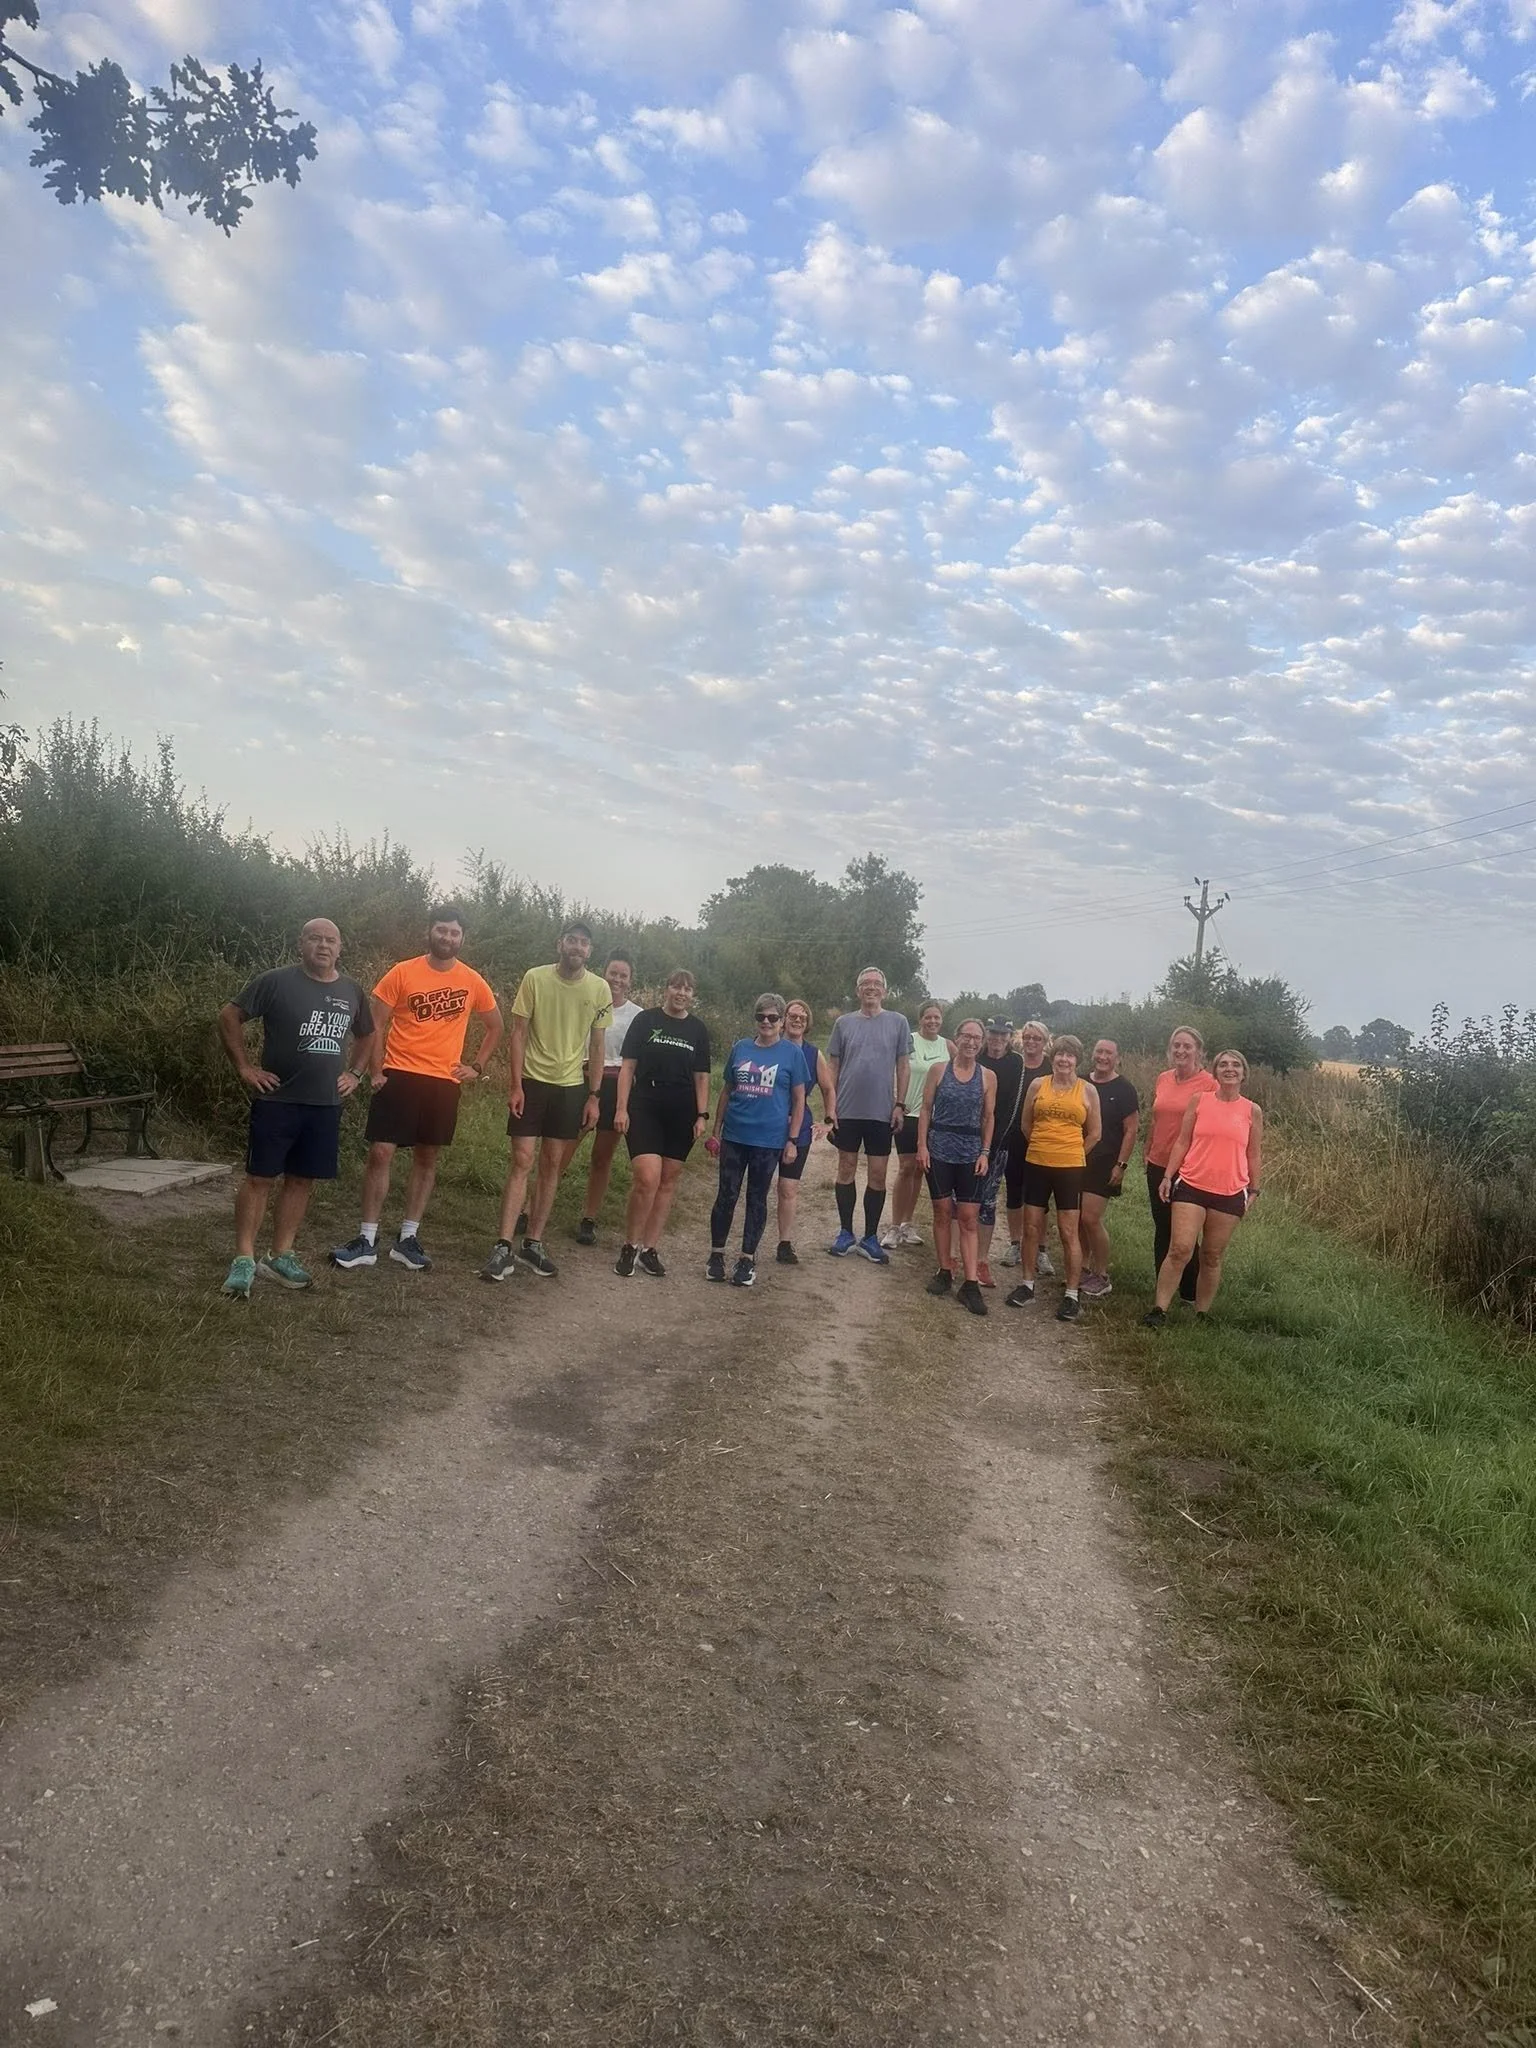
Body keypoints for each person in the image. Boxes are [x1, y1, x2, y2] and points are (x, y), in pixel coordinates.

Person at [332, 907, 502, 1273]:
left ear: (462, 938)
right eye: (442, 930)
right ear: (430, 932)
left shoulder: (472, 980)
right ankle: (367, 1238)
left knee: (427, 1158)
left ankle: (407, 1238)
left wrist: (476, 1066)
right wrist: (375, 1070)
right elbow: (374, 1024)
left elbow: (495, 1026)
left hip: (443, 1082)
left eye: (455, 933)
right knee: (380, 1153)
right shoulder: (402, 971)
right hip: (400, 1075)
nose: (448, 937)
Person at [218, 919, 374, 1297]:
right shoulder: (275, 981)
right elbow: (229, 1016)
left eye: (331, 940)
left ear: (340, 947)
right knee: (260, 1178)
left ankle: (280, 1254)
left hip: (324, 1104)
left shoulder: (351, 990)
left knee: (302, 1180)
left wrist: (355, 1072)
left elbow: (368, 1033)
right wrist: (244, 1067)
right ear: (301, 944)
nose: (323, 946)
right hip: (278, 1100)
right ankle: (243, 1259)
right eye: (315, 939)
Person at [480, 921, 613, 1283]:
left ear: (590, 951)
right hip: (533, 1084)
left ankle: (533, 1243)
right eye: (572, 940)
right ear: (560, 944)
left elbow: (598, 1046)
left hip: (571, 1088)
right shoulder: (535, 978)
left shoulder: (599, 989)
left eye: (584, 943)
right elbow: (519, 1032)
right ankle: (503, 1245)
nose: (578, 947)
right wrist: (515, 1084)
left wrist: (595, 1096)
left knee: (552, 1165)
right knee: (522, 1161)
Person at [1143, 1050, 1262, 1327]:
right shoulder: (1200, 1100)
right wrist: (1167, 1176)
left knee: (1212, 1255)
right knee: (1180, 1248)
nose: (1229, 1069)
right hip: (1192, 1185)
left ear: (1244, 1073)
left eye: (1235, 1065)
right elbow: (1183, 1142)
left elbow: (1254, 1153)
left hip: (1230, 1191)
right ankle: (1159, 1309)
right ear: (1215, 1072)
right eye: (1223, 1064)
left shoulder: (1251, 1110)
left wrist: (1254, 1190)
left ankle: (1202, 1313)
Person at [612, 970, 712, 1278]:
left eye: (687, 988)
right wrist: (621, 1109)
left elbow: (702, 1076)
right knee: (646, 1177)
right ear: (665, 989)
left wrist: (702, 1115)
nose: (681, 992)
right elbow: (628, 1067)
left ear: (692, 994)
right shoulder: (645, 1021)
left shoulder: (698, 1029)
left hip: (682, 1110)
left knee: (668, 1180)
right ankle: (630, 1245)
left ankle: (649, 1249)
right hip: (645, 1104)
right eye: (675, 986)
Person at [705, 994, 805, 1288]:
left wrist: (792, 1140)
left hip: (769, 1140)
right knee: (726, 1195)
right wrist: (716, 1130)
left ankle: (747, 1259)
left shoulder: (791, 1054)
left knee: (756, 1198)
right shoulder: (741, 1048)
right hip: (735, 1135)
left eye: (773, 1017)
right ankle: (716, 1255)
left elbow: (799, 1100)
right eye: (761, 1016)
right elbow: (727, 1090)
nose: (766, 1022)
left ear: (782, 1020)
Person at [1005, 1033, 1101, 1321]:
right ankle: (1027, 1284)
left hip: (1070, 1168)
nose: (1064, 1059)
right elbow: (1025, 1123)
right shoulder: (1038, 1084)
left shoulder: (1087, 1090)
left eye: (1070, 1055)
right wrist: (1043, 1145)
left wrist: (1073, 1153)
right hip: (1036, 1162)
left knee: (1068, 1231)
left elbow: (1095, 1133)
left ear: (1077, 1060)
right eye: (1059, 1054)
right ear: (1052, 1057)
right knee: (1031, 1227)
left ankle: (1072, 1294)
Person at [823, 967, 913, 1263]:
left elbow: (903, 1065)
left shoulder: (898, 1022)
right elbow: (832, 1067)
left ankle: (870, 1237)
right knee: (846, 1168)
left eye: (877, 983)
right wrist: (830, 1106)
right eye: (865, 984)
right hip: (847, 1109)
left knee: (877, 1174)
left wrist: (900, 1104)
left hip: (881, 1112)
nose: (871, 988)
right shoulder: (843, 1024)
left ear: (885, 991)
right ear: (857, 990)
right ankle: (846, 1233)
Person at [918, 1018, 995, 1317]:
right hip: (938, 1150)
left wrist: (985, 1152)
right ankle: (944, 1271)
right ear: (957, 1038)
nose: (971, 1042)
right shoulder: (939, 1070)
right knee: (941, 1212)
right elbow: (925, 1109)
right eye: (966, 1036)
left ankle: (971, 1283)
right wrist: (923, 1146)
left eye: (977, 1038)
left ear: (982, 1042)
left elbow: (989, 1118)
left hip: (970, 1152)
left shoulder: (987, 1076)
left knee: (968, 1218)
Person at [1144, 1026, 1219, 1303]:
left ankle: (1189, 1293)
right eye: (1176, 1045)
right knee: (1163, 1227)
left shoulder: (1210, 1084)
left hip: (1191, 1168)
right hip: (1157, 1163)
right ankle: (1162, 1290)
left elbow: (1215, 1124)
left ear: (1199, 1051)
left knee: (1185, 1235)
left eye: (1187, 1046)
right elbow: (1157, 1116)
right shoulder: (1163, 1078)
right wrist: (1148, 1146)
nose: (1181, 1051)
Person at [575, 952, 643, 1244]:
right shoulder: (587, 1000)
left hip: (616, 1086)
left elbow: (636, 1061)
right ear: (603, 973)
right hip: (582, 1079)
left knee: (601, 1158)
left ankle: (588, 1218)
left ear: (630, 981)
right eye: (613, 973)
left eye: (623, 975)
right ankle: (530, 1209)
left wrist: (624, 1104)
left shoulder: (637, 1015)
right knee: (560, 1151)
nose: (616, 979)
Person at [883, 1001, 953, 1248]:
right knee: (905, 1167)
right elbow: (894, 1069)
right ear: (920, 1018)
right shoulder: (908, 1040)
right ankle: (893, 1226)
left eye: (937, 1018)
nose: (932, 1021)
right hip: (909, 1113)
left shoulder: (948, 1046)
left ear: (941, 1020)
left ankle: (908, 1224)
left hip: (935, 1118)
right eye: (928, 1017)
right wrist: (896, 1102)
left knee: (919, 1169)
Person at [1079, 1039, 1140, 1298]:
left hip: (1105, 1162)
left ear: (1117, 1058)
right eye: (1099, 1052)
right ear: (1093, 1054)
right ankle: (1080, 1268)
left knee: (1091, 1218)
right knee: (1077, 1220)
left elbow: (1131, 1130)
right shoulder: (1081, 1081)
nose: (1103, 1057)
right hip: (1076, 1157)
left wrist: (1121, 1165)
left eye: (1108, 1053)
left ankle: (1102, 1274)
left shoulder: (1124, 1089)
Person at [773, 998, 828, 1265]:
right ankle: (750, 1239)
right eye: (792, 1016)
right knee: (759, 1185)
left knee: (788, 1187)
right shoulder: (769, 1044)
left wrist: (829, 1120)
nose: (797, 1021)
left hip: (799, 1127)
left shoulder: (814, 1054)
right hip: (767, 1122)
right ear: (783, 1019)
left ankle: (784, 1243)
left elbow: (829, 1088)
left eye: (802, 1018)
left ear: (807, 1024)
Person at [999, 1019, 1054, 1273]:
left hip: (1043, 1138)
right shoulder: (1015, 1064)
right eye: (1028, 1037)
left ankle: (1041, 1250)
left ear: (1045, 1042)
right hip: (1015, 1136)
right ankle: (1014, 1243)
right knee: (1014, 1190)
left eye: (1037, 1038)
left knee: (1040, 1196)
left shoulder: (1052, 1067)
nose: (1032, 1042)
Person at [975, 1017, 1025, 1288]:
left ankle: (982, 1260)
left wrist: (992, 1144)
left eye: (1003, 1035)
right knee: (962, 1199)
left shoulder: (1015, 1062)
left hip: (999, 1141)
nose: (997, 1039)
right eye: (993, 1034)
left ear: (1009, 1038)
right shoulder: (977, 1055)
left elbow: (1012, 1105)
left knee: (987, 1201)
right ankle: (958, 1256)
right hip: (968, 1139)